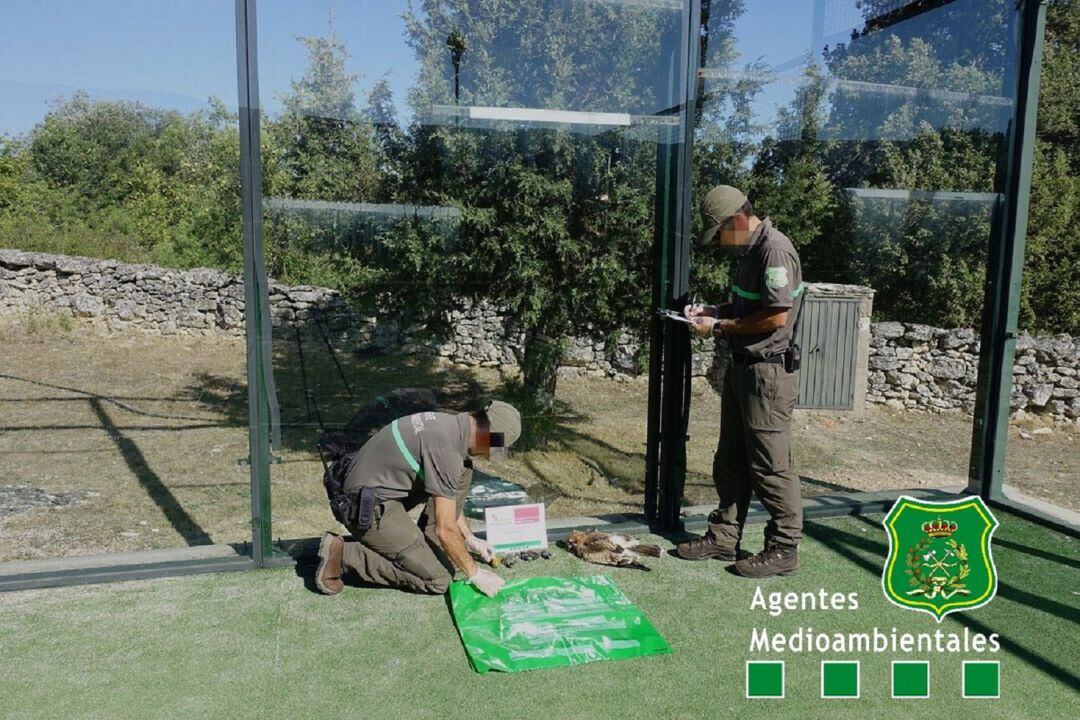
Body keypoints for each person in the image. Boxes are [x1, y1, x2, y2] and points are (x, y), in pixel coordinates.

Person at [675, 185, 805, 578]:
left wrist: (719, 327)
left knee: (771, 465)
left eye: (719, 235)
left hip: (767, 374)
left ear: (735, 221)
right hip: (744, 368)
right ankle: (724, 536)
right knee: (730, 459)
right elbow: (751, 306)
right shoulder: (750, 253)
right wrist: (714, 311)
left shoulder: (774, 250)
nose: (719, 244)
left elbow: (776, 315)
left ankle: (783, 548)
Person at [315, 400, 521, 596]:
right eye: (493, 445)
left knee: (464, 470)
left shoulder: (451, 426)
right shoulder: (446, 451)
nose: (489, 453)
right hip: (364, 508)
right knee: (440, 578)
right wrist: (475, 573)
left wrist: (469, 538)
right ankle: (343, 555)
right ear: (487, 432)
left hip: (376, 489)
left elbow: (449, 494)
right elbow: (445, 528)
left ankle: (429, 547)